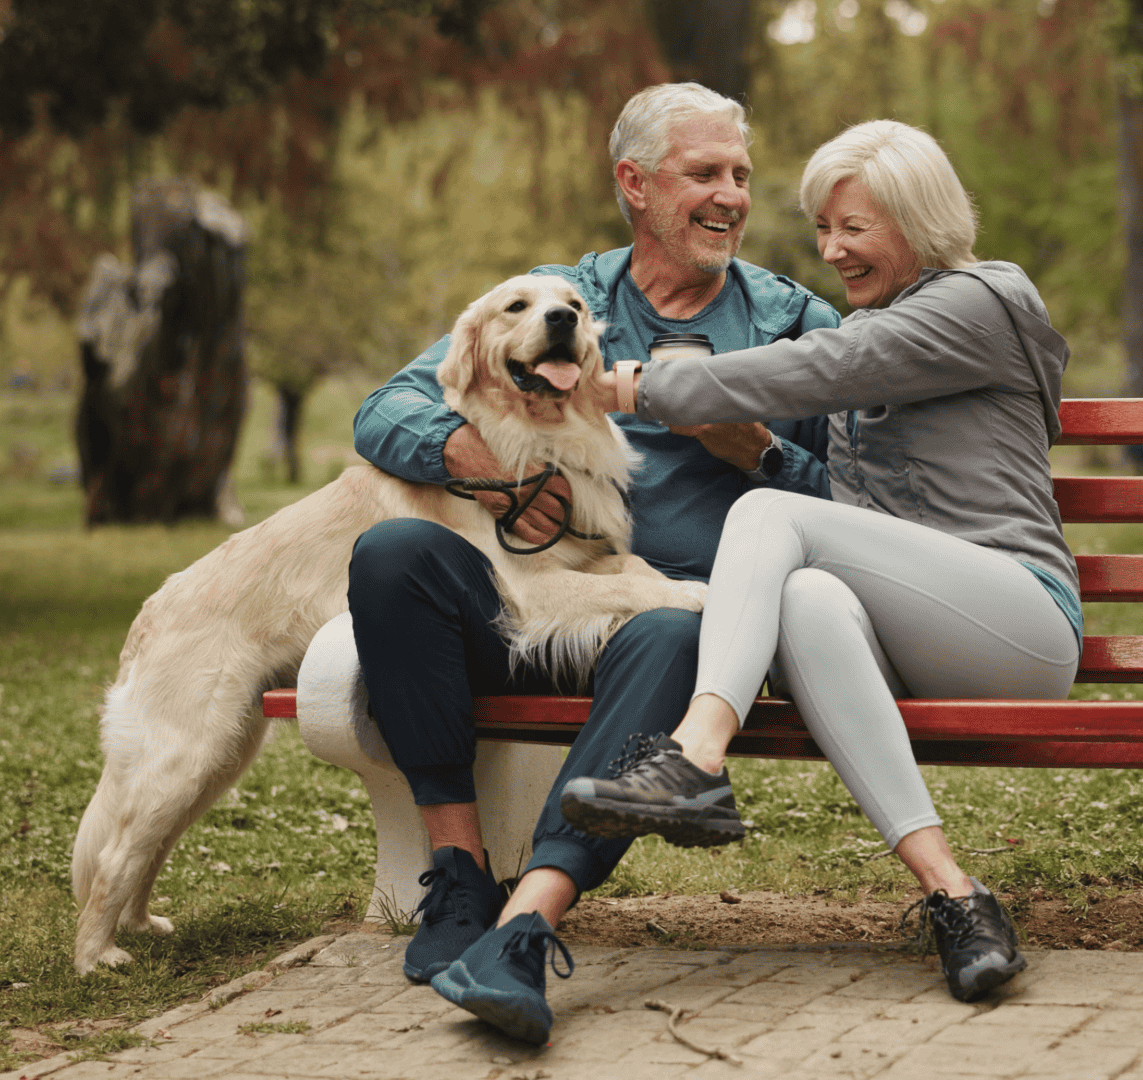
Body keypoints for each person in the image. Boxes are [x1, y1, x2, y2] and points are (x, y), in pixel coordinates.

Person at [345, 83, 840, 1044]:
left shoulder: (790, 322)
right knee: (395, 552)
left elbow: (867, 501)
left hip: (673, 625)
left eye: (740, 175)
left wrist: (768, 457)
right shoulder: (557, 298)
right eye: (705, 174)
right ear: (636, 185)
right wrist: (475, 460)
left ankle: (525, 925)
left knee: (667, 627)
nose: (732, 196)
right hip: (530, 596)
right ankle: (454, 879)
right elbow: (385, 410)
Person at [561, 119, 1083, 1003]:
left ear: (919, 218)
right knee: (803, 594)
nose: (832, 250)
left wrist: (630, 386)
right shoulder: (879, 326)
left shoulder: (980, 302)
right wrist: (765, 458)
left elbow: (821, 366)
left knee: (773, 520)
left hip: (1020, 623)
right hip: (921, 629)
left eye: (855, 227)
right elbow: (853, 512)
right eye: (822, 229)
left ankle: (696, 752)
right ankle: (956, 897)